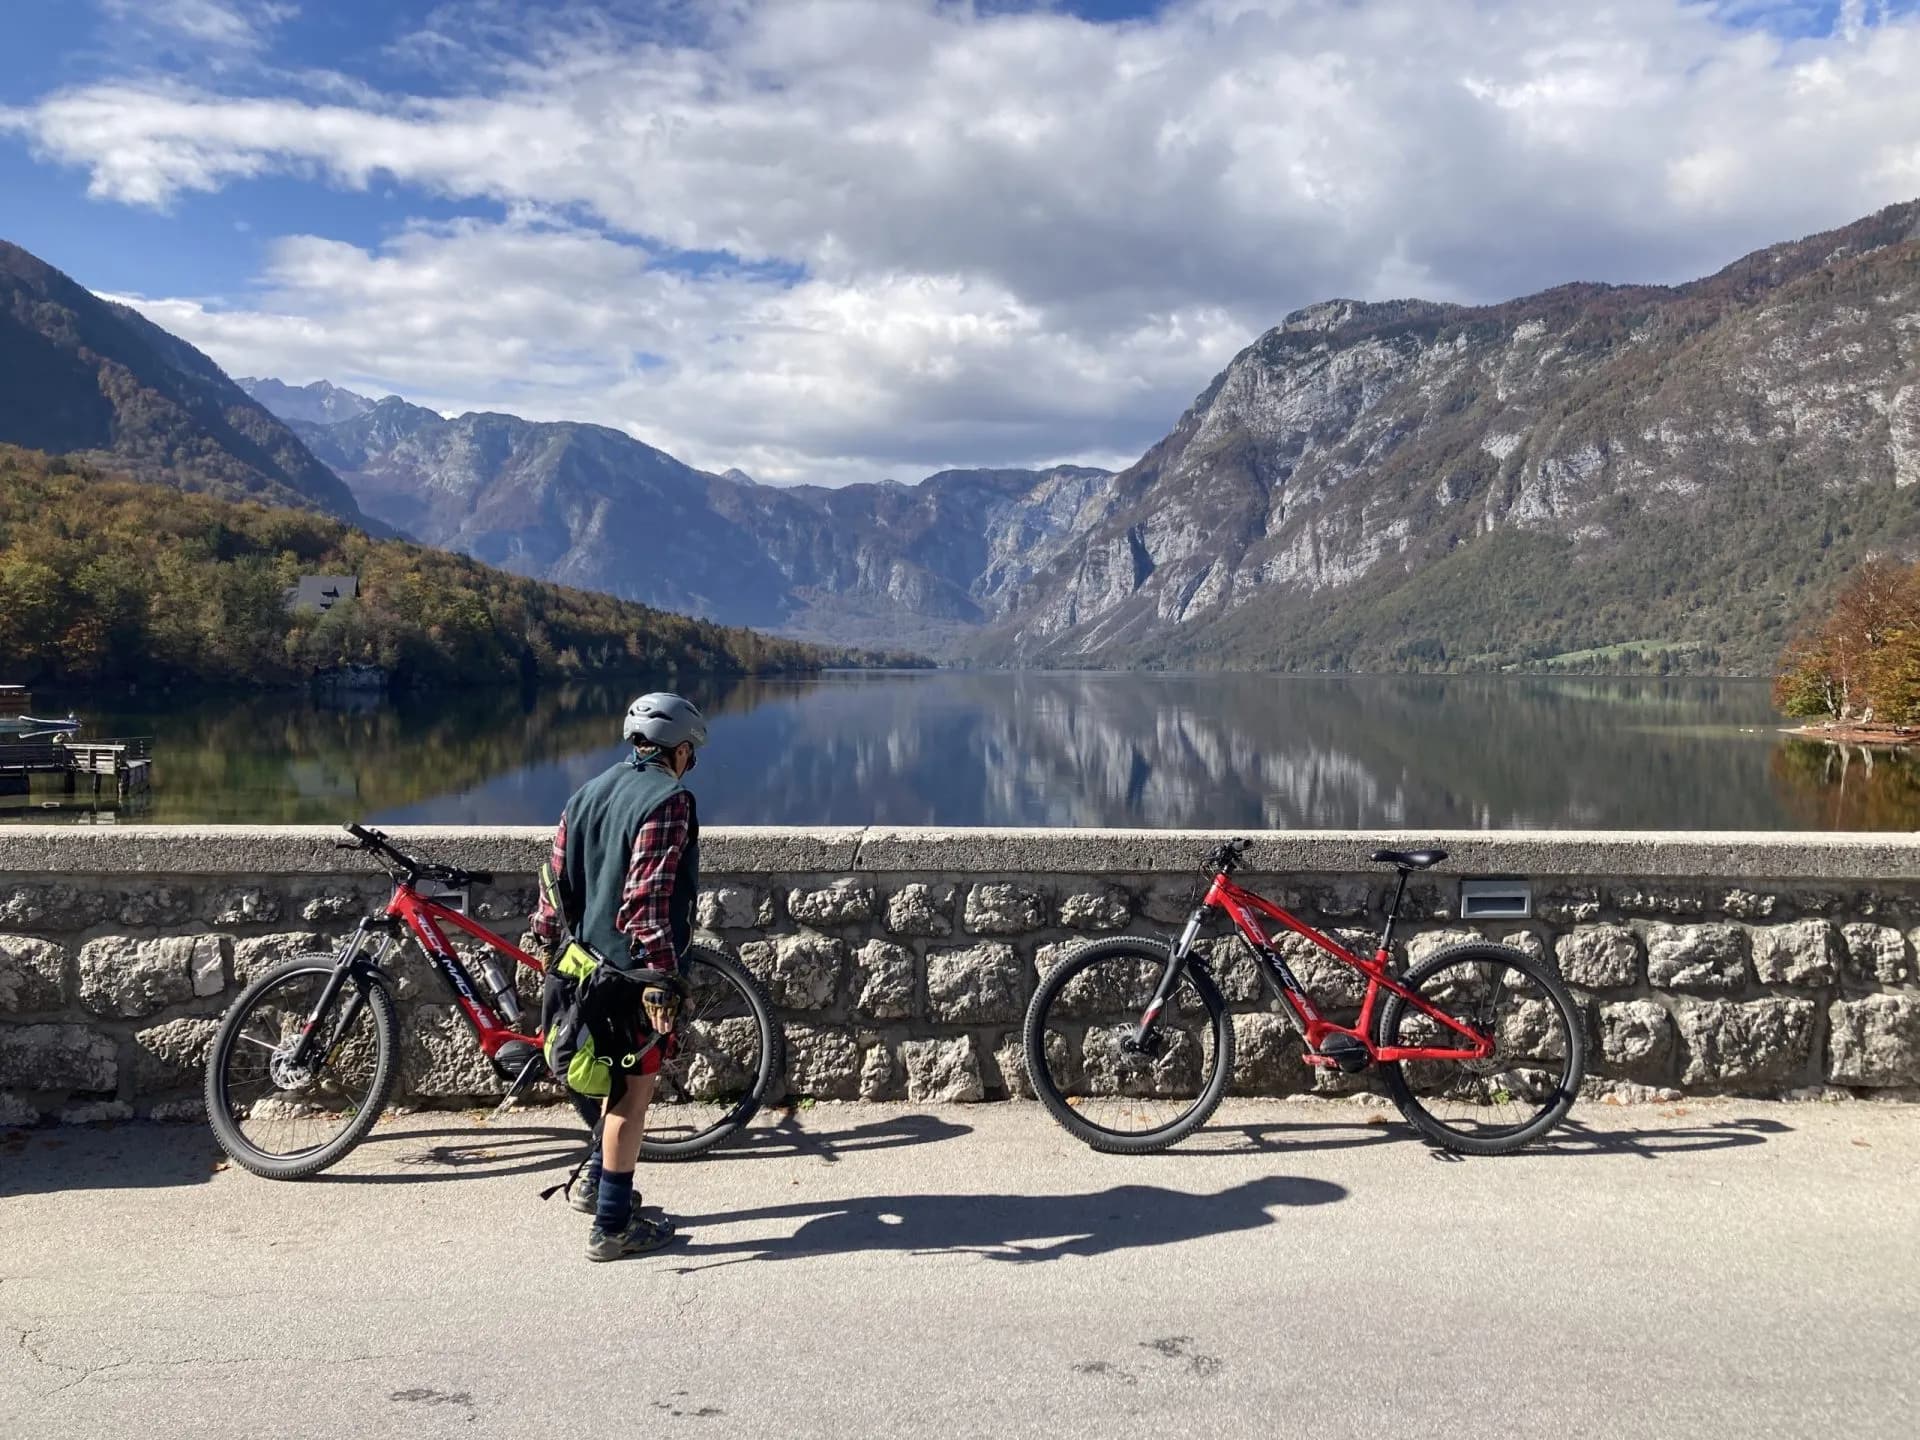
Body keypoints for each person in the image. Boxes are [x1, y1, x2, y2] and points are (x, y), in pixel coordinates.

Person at [530, 691, 705, 1261]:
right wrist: (661, 977)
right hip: (629, 974)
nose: (690, 763)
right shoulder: (668, 801)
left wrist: (550, 940)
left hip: (579, 966)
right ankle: (612, 1226)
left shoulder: (586, 791)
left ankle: (594, 1185)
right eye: (691, 754)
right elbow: (647, 900)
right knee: (633, 1095)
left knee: (606, 1081)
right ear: (678, 751)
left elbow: (553, 883)